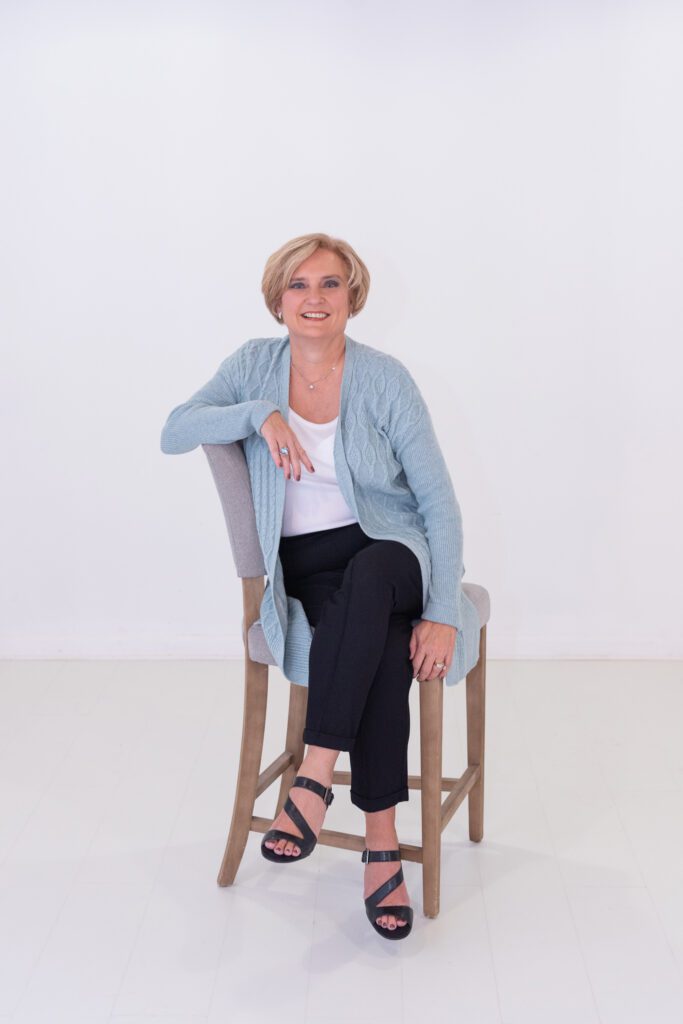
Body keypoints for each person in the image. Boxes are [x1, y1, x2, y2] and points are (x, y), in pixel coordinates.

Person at [160, 232, 480, 940]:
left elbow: (437, 503)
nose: (314, 298)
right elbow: (175, 429)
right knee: (378, 643)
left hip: (392, 550)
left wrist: (442, 610)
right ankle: (379, 847)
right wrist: (257, 413)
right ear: (278, 300)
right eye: (299, 285)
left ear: (351, 298)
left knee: (372, 577)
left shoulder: (385, 379)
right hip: (307, 565)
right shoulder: (251, 366)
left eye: (330, 284)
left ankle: (310, 781)